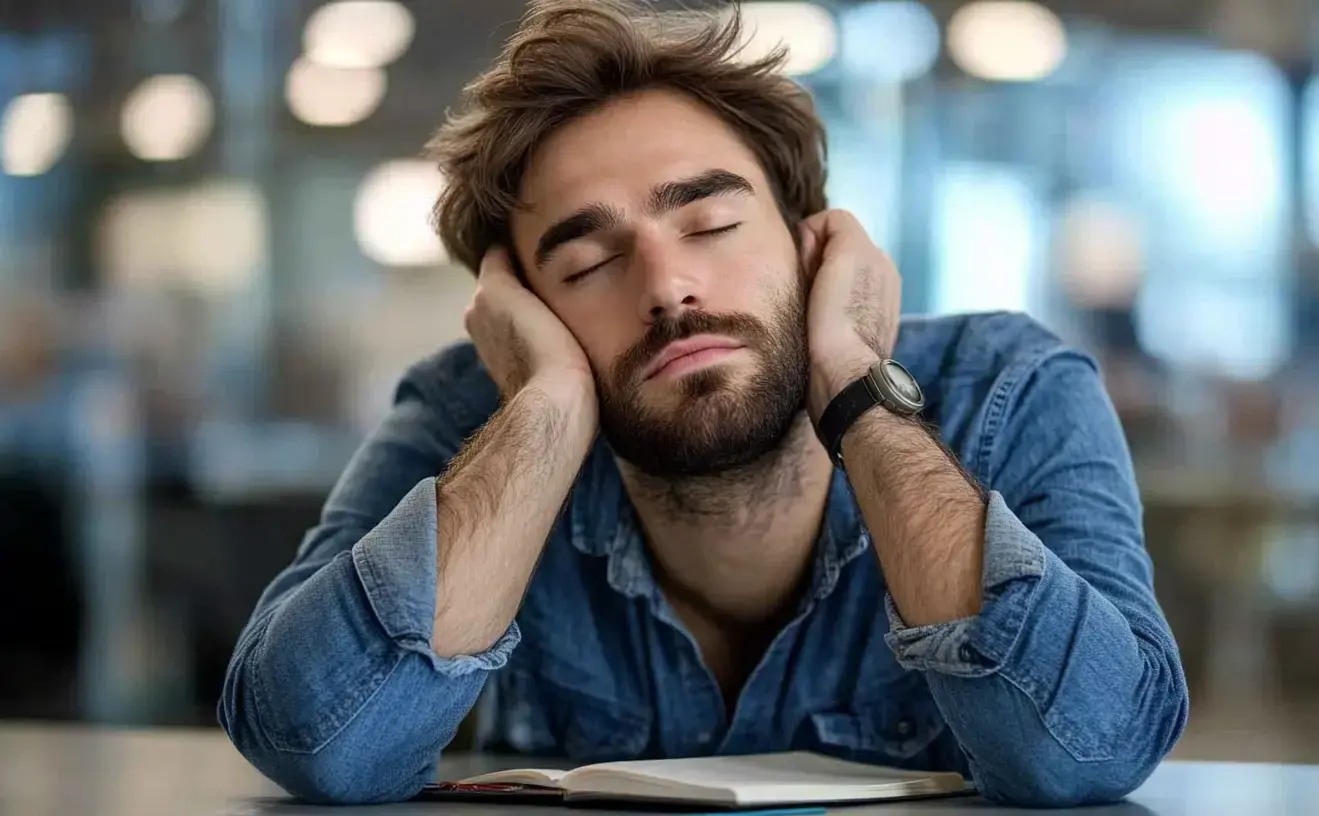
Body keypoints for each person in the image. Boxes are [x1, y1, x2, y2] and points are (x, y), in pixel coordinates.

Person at [219, 0, 1188, 806]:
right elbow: (316, 742)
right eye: (587, 260)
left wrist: (857, 391)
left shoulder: (1009, 391)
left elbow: (1091, 751)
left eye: (712, 221)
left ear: (815, 249)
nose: (667, 286)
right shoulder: (474, 414)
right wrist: (550, 410)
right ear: (524, 314)